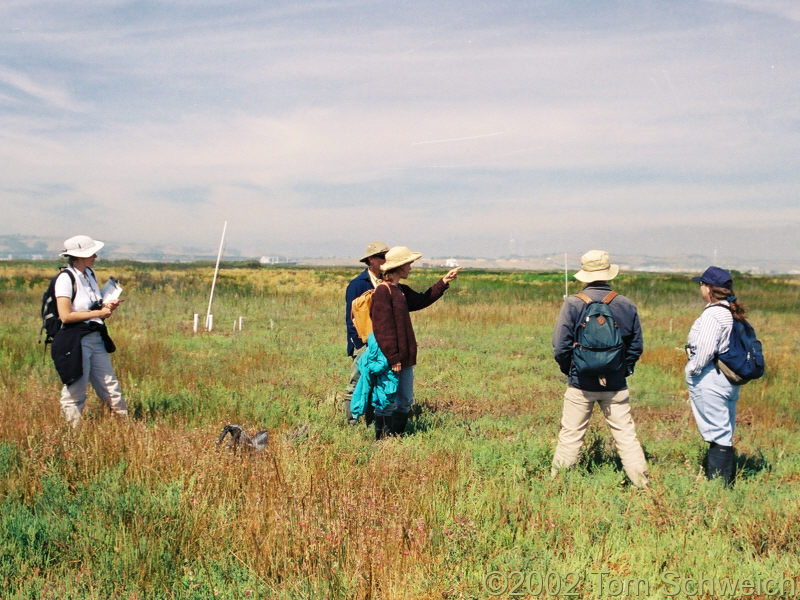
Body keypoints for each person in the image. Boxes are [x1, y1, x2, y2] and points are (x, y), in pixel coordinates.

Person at [551, 250, 649, 487]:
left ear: (584, 275)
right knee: (626, 436)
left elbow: (560, 346)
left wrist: (572, 370)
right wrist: (622, 369)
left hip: (580, 384)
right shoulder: (625, 304)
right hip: (615, 383)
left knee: (571, 435)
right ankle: (643, 485)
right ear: (608, 273)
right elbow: (636, 346)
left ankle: (557, 486)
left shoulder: (573, 303)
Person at [370, 246, 461, 439]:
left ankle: (396, 438)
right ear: (400, 266)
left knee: (404, 401)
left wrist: (443, 282)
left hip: (406, 357)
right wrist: (393, 357)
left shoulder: (400, 290)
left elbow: (421, 300)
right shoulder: (382, 292)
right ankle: (382, 441)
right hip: (392, 359)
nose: (411, 268)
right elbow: (382, 328)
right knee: (387, 400)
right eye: (409, 264)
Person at [51, 235, 127, 427]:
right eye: (91, 253)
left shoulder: (90, 274)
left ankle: (125, 430)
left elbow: (93, 304)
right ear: (79, 256)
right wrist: (98, 312)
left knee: (111, 387)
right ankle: (72, 437)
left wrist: (106, 305)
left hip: (95, 336)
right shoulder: (65, 279)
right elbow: (66, 316)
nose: (95, 256)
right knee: (76, 390)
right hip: (75, 340)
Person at [685, 266, 744, 486]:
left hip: (712, 377)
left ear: (710, 288)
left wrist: (692, 369)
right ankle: (723, 481)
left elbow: (706, 349)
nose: (700, 288)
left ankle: (718, 486)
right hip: (726, 379)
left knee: (718, 432)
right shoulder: (730, 311)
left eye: (702, 284)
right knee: (723, 428)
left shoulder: (714, 314)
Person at [342, 241, 389, 423]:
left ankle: (371, 421)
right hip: (364, 343)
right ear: (371, 259)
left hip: (382, 342)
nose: (386, 259)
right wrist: (360, 345)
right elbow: (351, 317)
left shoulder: (386, 282)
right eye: (382, 256)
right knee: (356, 382)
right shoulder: (357, 284)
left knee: (376, 383)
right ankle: (351, 422)